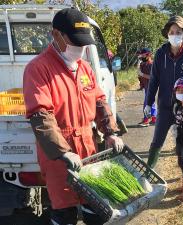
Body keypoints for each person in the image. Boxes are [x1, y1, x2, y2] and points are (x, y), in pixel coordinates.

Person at [23, 8, 124, 225]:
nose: (80, 48)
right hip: (59, 152)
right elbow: (41, 115)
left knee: (96, 205)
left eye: (83, 43)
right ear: (56, 34)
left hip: (88, 144)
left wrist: (111, 132)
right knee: (65, 211)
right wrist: (62, 152)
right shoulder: (38, 69)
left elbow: (99, 102)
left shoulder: (84, 68)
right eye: (75, 42)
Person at [145, 16, 183, 168]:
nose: (174, 35)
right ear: (167, 34)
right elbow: (154, 80)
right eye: (171, 32)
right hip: (165, 106)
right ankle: (148, 172)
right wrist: (148, 102)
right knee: (157, 141)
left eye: (178, 32)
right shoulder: (160, 53)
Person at [137, 48, 157, 126]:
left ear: (148, 55)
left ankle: (146, 119)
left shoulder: (152, 64)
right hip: (146, 86)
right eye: (141, 55)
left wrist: (142, 74)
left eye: (143, 55)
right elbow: (140, 76)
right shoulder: (143, 64)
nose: (142, 56)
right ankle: (154, 118)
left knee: (147, 103)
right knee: (151, 103)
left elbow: (152, 77)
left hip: (151, 86)